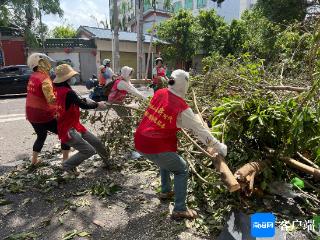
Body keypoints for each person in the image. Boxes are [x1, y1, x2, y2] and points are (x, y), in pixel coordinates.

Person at [134, 69, 227, 219]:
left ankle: (165, 191)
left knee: (166, 160)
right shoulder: (182, 108)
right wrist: (219, 147)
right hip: (154, 144)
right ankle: (179, 209)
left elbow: (165, 115)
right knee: (182, 169)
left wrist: (191, 118)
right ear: (185, 85)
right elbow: (201, 132)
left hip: (140, 139)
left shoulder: (160, 92)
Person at [53, 64, 110, 175]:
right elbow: (82, 105)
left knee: (96, 142)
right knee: (89, 151)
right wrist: (97, 105)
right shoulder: (67, 92)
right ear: (67, 78)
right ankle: (67, 165)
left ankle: (108, 161)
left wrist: (88, 101)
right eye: (71, 76)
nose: (73, 78)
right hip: (68, 129)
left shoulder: (60, 89)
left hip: (75, 125)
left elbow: (77, 101)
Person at [26, 53, 70, 165]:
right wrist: (65, 99)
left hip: (31, 114)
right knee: (65, 132)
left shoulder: (33, 76)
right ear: (40, 63)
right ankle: (66, 161)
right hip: (43, 114)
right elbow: (51, 99)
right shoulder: (44, 79)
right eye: (45, 62)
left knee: (41, 135)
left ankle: (34, 161)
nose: (48, 64)